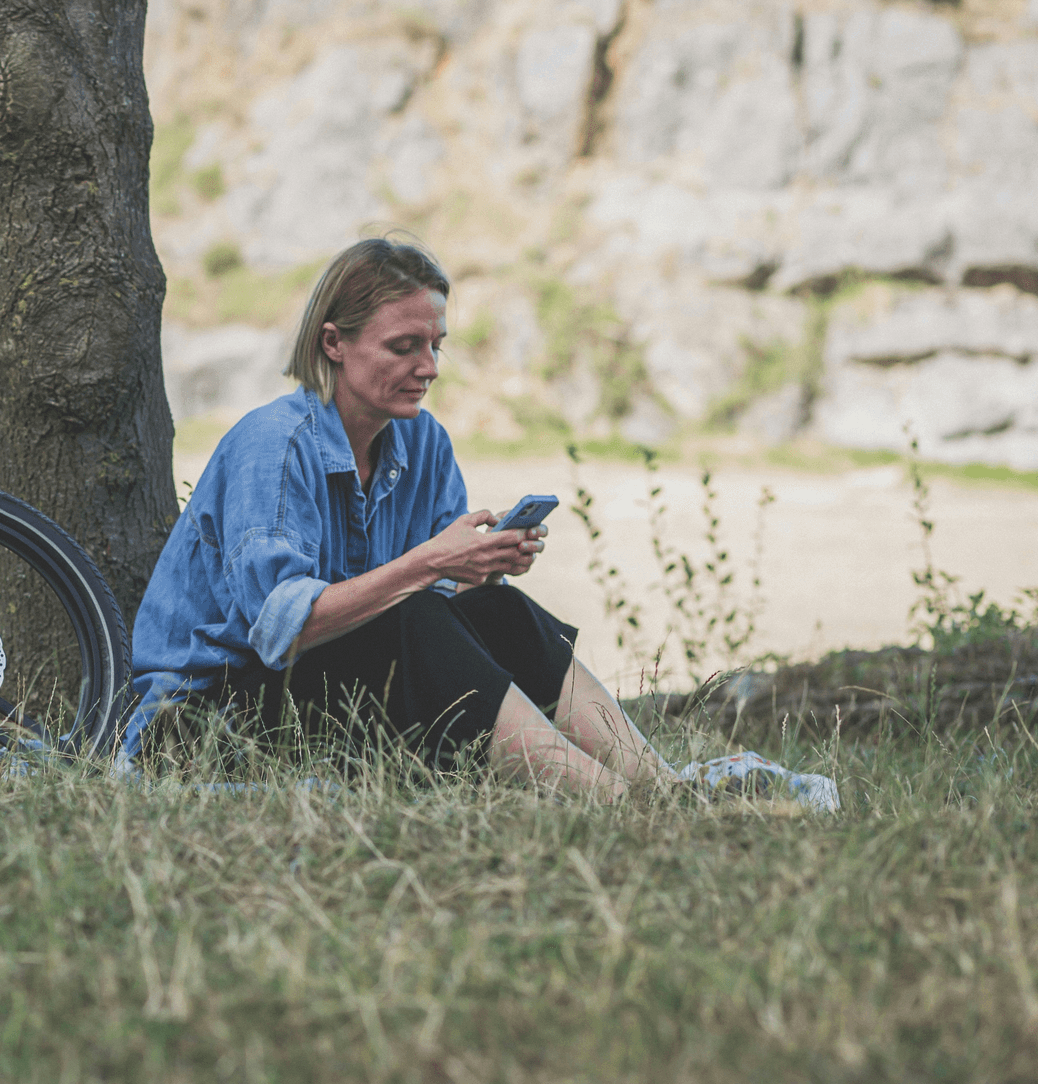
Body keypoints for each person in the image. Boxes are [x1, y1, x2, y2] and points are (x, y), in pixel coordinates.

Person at [122, 236, 832, 807]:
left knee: (501, 610)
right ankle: (616, 806)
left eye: (436, 344)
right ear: (334, 343)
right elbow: (283, 630)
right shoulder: (274, 445)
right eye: (404, 346)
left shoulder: (422, 442)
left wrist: (476, 569)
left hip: (334, 690)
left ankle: (662, 790)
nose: (428, 366)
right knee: (417, 616)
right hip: (209, 718)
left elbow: (428, 617)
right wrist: (432, 562)